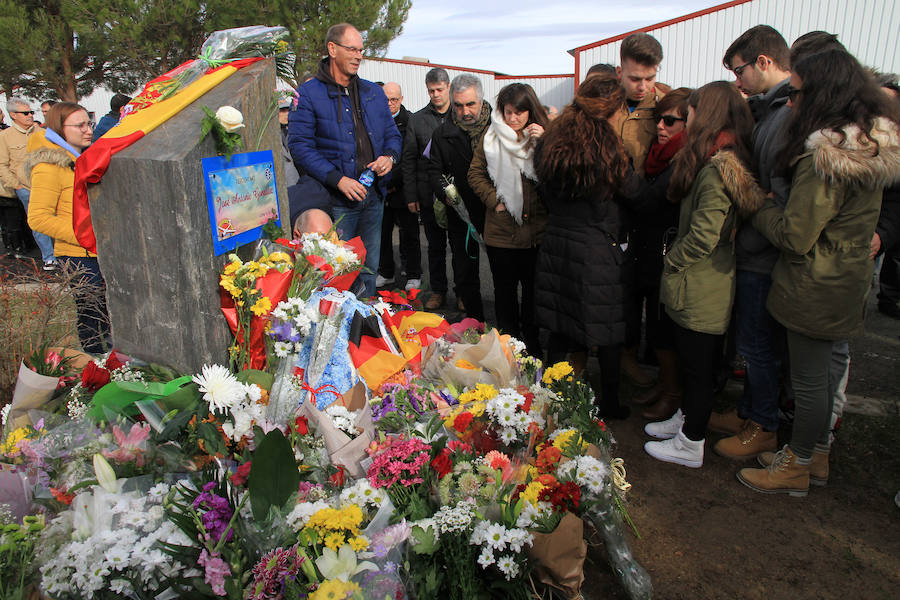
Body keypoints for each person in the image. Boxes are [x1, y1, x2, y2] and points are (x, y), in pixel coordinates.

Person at [738, 49, 900, 496]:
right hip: (844, 278)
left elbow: (795, 235)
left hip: (815, 283)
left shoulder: (824, 158)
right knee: (824, 376)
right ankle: (816, 455)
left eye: (796, 94)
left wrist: (760, 208)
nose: (790, 103)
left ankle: (796, 465)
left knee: (810, 382)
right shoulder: (866, 146)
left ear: (822, 96)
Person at [643, 82, 762, 468]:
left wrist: (672, 262)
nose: (686, 117)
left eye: (690, 111)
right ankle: (686, 420)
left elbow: (704, 236)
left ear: (705, 114)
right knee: (692, 361)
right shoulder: (714, 159)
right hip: (700, 281)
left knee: (698, 368)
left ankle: (691, 442)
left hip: (703, 282)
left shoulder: (716, 169)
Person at [707, 25, 793, 460]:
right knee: (751, 340)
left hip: (764, 249)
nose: (738, 82)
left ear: (764, 61)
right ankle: (748, 412)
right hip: (756, 243)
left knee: (759, 344)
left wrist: (755, 207)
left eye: (740, 71)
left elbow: (776, 193)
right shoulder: (769, 108)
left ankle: (764, 425)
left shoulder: (785, 113)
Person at [532, 72, 634, 419]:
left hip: (558, 242)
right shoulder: (607, 148)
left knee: (561, 326)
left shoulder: (552, 140)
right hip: (596, 248)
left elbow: (543, 189)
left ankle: (550, 398)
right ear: (613, 110)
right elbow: (637, 194)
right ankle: (611, 403)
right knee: (607, 330)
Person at [287, 22, 402, 297]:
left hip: (373, 197)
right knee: (337, 274)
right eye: (352, 49)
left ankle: (368, 320)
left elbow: (392, 135)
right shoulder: (308, 95)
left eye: (361, 50)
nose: (358, 56)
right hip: (335, 202)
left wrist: (389, 157)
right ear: (332, 49)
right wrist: (338, 180)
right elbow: (300, 146)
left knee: (369, 270)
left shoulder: (373, 93)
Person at [625, 87, 692, 421]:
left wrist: (622, 172)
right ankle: (666, 387)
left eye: (670, 121)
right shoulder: (660, 155)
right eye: (659, 119)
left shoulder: (683, 160)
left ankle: (673, 393)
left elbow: (650, 201)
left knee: (664, 332)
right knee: (655, 328)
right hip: (650, 251)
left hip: (668, 255)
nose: (661, 127)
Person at [468, 83, 549, 355]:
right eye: (508, 112)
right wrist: (495, 200)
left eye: (519, 112)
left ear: (530, 110)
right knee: (504, 295)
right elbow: (474, 174)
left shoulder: (544, 134)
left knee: (533, 294)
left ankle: (533, 345)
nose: (513, 118)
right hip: (501, 233)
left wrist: (544, 143)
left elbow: (556, 173)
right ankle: (508, 346)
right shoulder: (491, 136)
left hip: (536, 232)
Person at [611, 32, 672, 389]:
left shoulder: (667, 106)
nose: (643, 86)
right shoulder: (604, 104)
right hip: (612, 213)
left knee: (653, 292)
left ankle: (660, 369)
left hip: (652, 213)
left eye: (650, 77)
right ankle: (626, 357)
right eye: (635, 78)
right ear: (620, 71)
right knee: (622, 293)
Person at [26, 102, 111, 354]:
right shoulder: (48, 167)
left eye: (89, 123)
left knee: (110, 314)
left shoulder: (84, 159)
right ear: (59, 128)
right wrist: (85, 236)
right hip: (78, 255)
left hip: (100, 249)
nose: (88, 130)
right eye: (80, 125)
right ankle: (96, 366)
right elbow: (38, 218)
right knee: (92, 318)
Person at [426, 74, 490, 321]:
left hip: (494, 209)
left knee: (503, 272)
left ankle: (508, 329)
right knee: (465, 271)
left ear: (481, 101)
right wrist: (444, 193)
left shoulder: (497, 129)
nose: (465, 112)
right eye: (459, 105)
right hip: (460, 211)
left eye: (470, 104)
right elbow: (434, 170)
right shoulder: (442, 134)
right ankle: (474, 324)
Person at [402, 67, 453, 309]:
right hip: (428, 194)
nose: (435, 95)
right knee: (435, 246)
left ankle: (463, 292)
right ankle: (438, 291)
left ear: (448, 87)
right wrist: (411, 194)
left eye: (439, 90)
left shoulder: (459, 115)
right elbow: (409, 159)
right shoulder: (417, 119)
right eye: (431, 91)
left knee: (461, 249)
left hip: (457, 194)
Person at [0, 97, 56, 270]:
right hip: (26, 188)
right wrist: (17, 186)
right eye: (25, 113)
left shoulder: (43, 132)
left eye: (31, 112)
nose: (30, 115)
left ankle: (63, 253)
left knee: (56, 220)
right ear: (13, 115)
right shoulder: (5, 137)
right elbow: (2, 165)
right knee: (38, 223)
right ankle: (49, 257)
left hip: (50, 185)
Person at [377, 82, 421, 290]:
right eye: (385, 99)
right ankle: (386, 272)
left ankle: (413, 273)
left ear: (401, 99)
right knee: (382, 235)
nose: (389, 103)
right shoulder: (374, 119)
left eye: (393, 99)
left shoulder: (410, 121)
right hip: (381, 189)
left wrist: (392, 181)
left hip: (403, 188)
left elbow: (410, 157)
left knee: (409, 234)